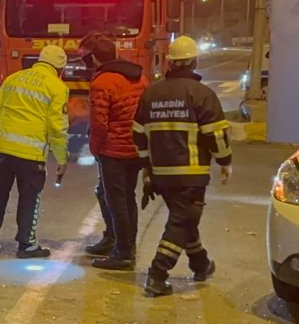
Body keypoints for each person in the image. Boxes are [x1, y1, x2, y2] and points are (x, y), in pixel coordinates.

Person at [132, 36, 232, 297]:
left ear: (170, 62)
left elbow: (138, 134)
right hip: (192, 173)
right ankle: (157, 274)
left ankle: (201, 263)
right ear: (194, 61)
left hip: (161, 174)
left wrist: (146, 167)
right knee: (181, 221)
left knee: (184, 217)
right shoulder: (202, 94)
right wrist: (225, 162)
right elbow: (217, 135)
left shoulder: (151, 93)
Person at [0, 45, 70, 258]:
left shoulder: (14, 78)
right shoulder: (57, 87)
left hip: (2, 151)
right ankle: (27, 244)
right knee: (29, 197)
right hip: (30, 154)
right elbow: (57, 127)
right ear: (60, 68)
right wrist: (61, 158)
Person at [79, 34, 147, 270]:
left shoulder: (103, 82)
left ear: (96, 58)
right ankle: (121, 243)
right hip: (135, 148)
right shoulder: (139, 77)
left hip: (114, 151)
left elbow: (99, 123)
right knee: (127, 198)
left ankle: (123, 252)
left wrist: (95, 148)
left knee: (115, 199)